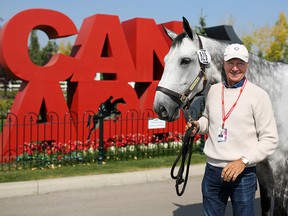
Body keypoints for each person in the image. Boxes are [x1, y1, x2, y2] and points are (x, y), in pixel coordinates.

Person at [187, 43, 278, 216]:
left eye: (240, 63)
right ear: (224, 64)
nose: (235, 68)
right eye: (231, 63)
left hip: (243, 174)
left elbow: (270, 139)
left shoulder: (259, 95)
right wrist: (198, 126)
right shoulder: (213, 91)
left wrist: (243, 161)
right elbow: (209, 119)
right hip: (212, 172)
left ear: (247, 66)